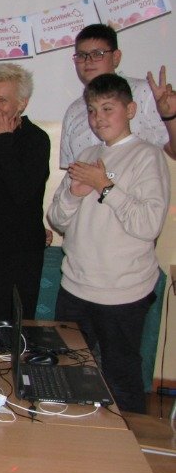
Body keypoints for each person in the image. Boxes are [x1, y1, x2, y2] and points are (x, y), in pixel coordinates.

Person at [48, 74, 170, 413]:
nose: (98, 118)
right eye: (92, 110)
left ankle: (129, 441)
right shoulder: (87, 154)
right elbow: (58, 219)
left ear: (130, 110)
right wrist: (74, 194)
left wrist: (105, 186)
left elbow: (148, 225)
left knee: (120, 379)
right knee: (68, 374)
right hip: (75, 286)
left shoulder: (147, 156)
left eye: (107, 108)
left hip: (122, 292)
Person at [0, 63, 50, 322]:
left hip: (19, 254)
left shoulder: (36, 139)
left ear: (22, 103)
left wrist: (4, 140)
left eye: (2, 100)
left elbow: (21, 192)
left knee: (11, 328)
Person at [60, 24, 176, 169]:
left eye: (97, 54)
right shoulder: (73, 111)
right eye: (81, 55)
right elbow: (71, 173)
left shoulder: (143, 93)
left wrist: (170, 116)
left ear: (116, 57)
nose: (88, 61)